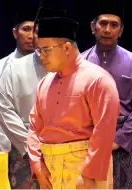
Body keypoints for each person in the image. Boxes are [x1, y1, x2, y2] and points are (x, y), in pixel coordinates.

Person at [28, 16, 119, 189]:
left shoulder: (97, 80)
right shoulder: (44, 83)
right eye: (39, 51)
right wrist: (37, 165)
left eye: (46, 50)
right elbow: (34, 126)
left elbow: (104, 132)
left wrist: (88, 174)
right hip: (49, 171)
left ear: (67, 48)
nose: (41, 57)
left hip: (84, 171)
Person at [0, 7, 67, 189]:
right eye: (40, 31)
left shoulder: (79, 70)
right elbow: (4, 110)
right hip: (25, 155)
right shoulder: (14, 69)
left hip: (70, 155)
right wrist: (32, 151)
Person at [81, 1, 132, 188]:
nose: (108, 29)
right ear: (93, 27)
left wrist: (119, 140)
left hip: (125, 144)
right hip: (89, 144)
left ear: (121, 30)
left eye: (114, 25)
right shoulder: (81, 62)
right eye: (103, 24)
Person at [0, 7, 37, 153]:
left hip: (46, 148)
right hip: (12, 152)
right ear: (15, 33)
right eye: (26, 29)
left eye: (35, 30)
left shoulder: (50, 67)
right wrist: (6, 152)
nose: (31, 35)